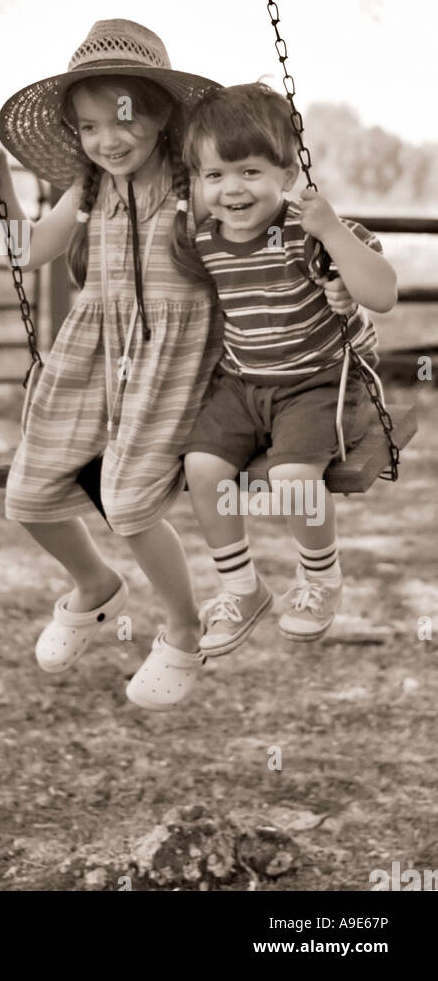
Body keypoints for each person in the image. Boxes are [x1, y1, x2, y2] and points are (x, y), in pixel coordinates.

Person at [0, 20, 351, 710]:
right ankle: (95, 587)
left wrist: (326, 253)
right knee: (25, 492)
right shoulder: (88, 190)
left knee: (127, 500)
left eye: (122, 119)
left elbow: (261, 202)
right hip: (93, 351)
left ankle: (180, 630)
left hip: (174, 358)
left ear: (160, 116)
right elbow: (30, 252)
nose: (107, 139)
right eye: (88, 127)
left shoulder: (195, 182)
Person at [179, 82, 398, 655]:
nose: (232, 189)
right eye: (215, 175)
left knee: (292, 479)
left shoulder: (307, 230)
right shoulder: (204, 239)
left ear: (288, 174)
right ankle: (242, 589)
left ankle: (320, 579)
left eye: (250, 171)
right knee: (201, 467)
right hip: (243, 382)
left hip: (317, 381)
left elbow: (383, 292)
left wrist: (332, 235)